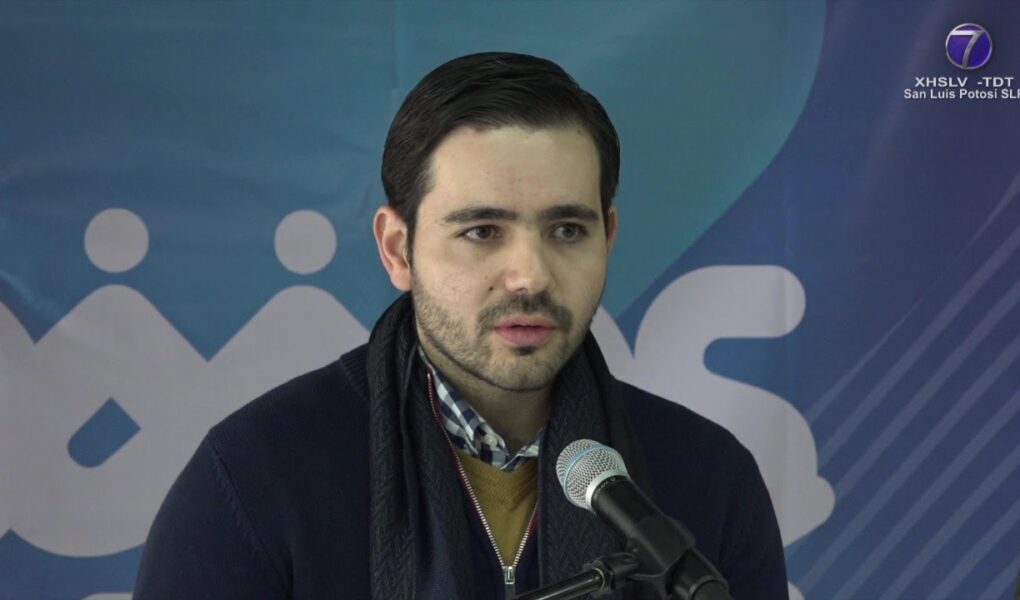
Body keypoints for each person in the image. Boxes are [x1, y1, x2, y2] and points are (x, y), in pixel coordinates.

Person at [134, 52, 788, 600]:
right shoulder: (257, 476)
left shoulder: (709, 479)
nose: (530, 275)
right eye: (482, 231)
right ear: (398, 249)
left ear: (607, 239)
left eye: (567, 230)